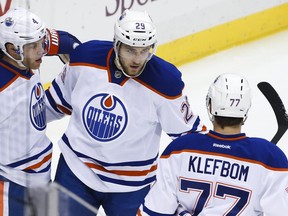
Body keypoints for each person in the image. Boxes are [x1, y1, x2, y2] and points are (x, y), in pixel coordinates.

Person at [45, 9, 206, 216]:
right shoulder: (85, 58)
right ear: (117, 43)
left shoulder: (165, 82)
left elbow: (190, 137)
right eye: (130, 50)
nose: (137, 59)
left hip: (132, 187)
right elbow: (54, 104)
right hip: (76, 173)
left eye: (144, 50)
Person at [138, 73, 288, 216]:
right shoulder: (269, 158)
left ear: (210, 105)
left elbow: (154, 211)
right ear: (245, 110)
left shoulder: (180, 149)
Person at [0, 7, 80, 215]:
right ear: (12, 48)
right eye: (33, 46)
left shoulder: (26, 55)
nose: (41, 50)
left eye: (41, 43)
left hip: (41, 178)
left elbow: (68, 42)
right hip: (10, 186)